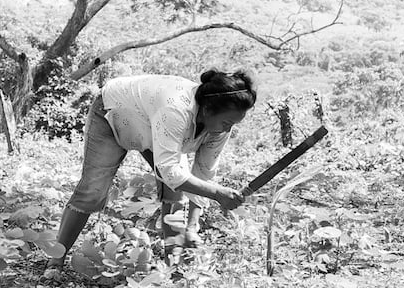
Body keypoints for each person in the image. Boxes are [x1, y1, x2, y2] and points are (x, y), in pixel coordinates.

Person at [47, 68, 257, 270]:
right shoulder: (176, 109)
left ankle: (172, 267)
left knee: (176, 195)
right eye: (227, 122)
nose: (228, 129)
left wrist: (192, 227)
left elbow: (204, 172)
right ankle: (56, 258)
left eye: (234, 124)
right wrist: (219, 194)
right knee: (92, 192)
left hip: (152, 126)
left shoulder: (220, 128)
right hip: (114, 112)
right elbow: (170, 171)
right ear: (208, 109)